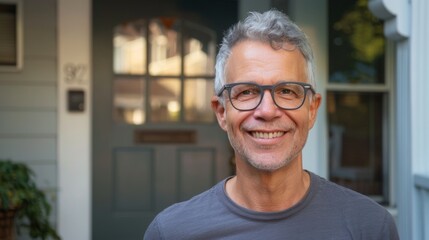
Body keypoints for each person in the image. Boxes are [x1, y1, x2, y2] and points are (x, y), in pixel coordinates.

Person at [144, 9, 399, 240]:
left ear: (312, 110)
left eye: (287, 91)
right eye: (246, 92)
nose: (267, 111)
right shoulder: (171, 232)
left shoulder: (370, 227)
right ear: (221, 112)